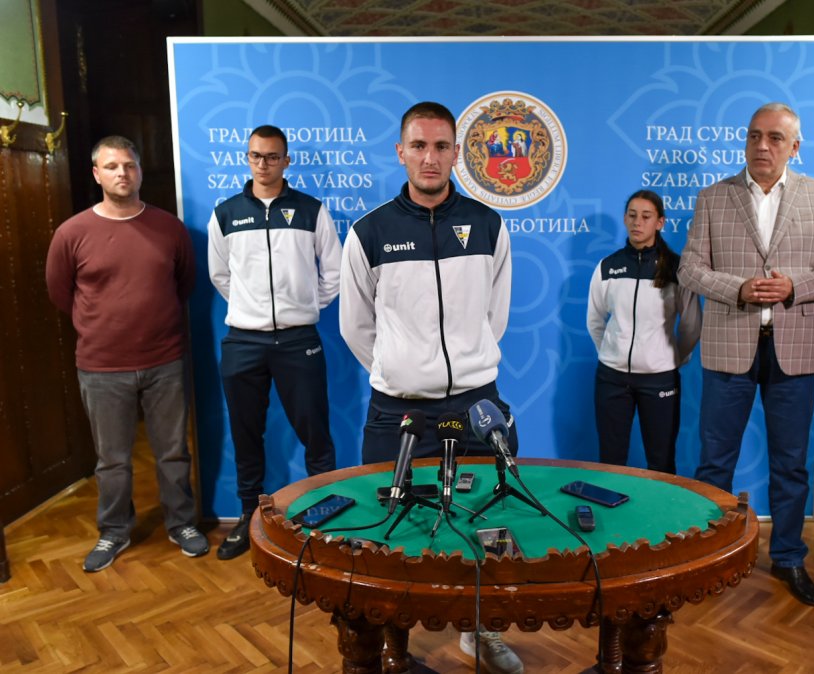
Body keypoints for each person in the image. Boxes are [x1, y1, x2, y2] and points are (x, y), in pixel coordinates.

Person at [339, 101, 522, 674]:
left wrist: (464, 367)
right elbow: (356, 327)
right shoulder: (369, 232)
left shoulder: (488, 224)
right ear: (401, 152)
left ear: (457, 153)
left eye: (441, 146)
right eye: (419, 146)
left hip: (476, 403)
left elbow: (494, 316)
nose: (430, 157)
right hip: (398, 409)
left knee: (487, 524)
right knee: (390, 530)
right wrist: (402, 370)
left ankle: (481, 630)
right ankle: (393, 647)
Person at [677, 102, 814, 606]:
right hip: (729, 348)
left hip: (793, 352)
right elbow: (690, 269)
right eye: (754, 135)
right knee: (715, 462)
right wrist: (738, 288)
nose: (762, 145)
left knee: (791, 463)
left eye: (775, 138)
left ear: (794, 147)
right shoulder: (714, 197)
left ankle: (789, 557)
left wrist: (794, 286)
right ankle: (709, 553)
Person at [45, 135, 208, 572]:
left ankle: (181, 524)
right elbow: (60, 292)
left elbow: (184, 283)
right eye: (112, 166)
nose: (122, 173)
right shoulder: (72, 233)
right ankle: (114, 531)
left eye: (130, 165)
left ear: (139, 171)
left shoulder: (169, 228)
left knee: (173, 452)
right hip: (101, 366)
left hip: (165, 360)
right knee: (112, 459)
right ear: (96, 174)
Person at [207, 124, 342, 560]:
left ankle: (325, 520)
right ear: (247, 158)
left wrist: (302, 307)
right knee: (246, 435)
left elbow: (334, 272)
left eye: (271, 156)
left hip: (299, 340)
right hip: (243, 342)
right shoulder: (226, 213)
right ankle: (248, 517)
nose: (263, 164)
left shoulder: (311, 211)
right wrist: (252, 311)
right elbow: (220, 275)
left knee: (316, 434)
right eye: (255, 156)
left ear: (286, 160)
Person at [587, 189, 701, 473]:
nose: (637, 222)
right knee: (610, 460)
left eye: (646, 216)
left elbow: (691, 324)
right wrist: (611, 352)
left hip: (660, 378)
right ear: (625, 219)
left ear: (660, 222)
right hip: (611, 378)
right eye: (632, 215)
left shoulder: (677, 268)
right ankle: (611, 504)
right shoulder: (608, 267)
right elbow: (595, 320)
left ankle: (662, 506)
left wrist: (672, 357)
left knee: (661, 461)